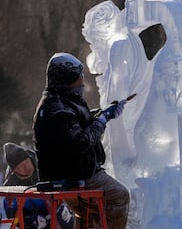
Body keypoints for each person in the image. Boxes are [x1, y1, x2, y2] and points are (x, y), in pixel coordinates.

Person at [32, 52, 130, 228]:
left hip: (74, 173)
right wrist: (101, 121)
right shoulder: (56, 109)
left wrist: (102, 113)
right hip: (72, 176)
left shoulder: (61, 100)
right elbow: (80, 143)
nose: (82, 82)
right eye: (77, 78)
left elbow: (75, 123)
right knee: (119, 196)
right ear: (66, 79)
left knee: (89, 214)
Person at [2, 142, 75, 229]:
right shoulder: (11, 186)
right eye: (20, 166)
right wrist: (31, 221)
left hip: (60, 215)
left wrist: (66, 206)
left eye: (26, 161)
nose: (26, 167)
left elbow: (64, 184)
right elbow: (12, 215)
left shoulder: (44, 167)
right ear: (15, 171)